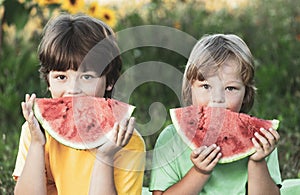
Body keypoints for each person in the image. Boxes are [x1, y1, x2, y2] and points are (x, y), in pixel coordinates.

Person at [13, 13, 145, 195]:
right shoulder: (34, 131)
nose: (73, 90)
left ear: (110, 81)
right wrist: (37, 144)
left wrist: (105, 156)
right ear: (48, 81)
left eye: (87, 76)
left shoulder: (127, 142)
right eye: (61, 77)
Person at [149, 34, 281, 194]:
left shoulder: (261, 141)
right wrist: (199, 172)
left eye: (230, 88)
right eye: (206, 86)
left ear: (246, 94)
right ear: (190, 89)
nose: (217, 99)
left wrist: (257, 162)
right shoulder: (170, 140)